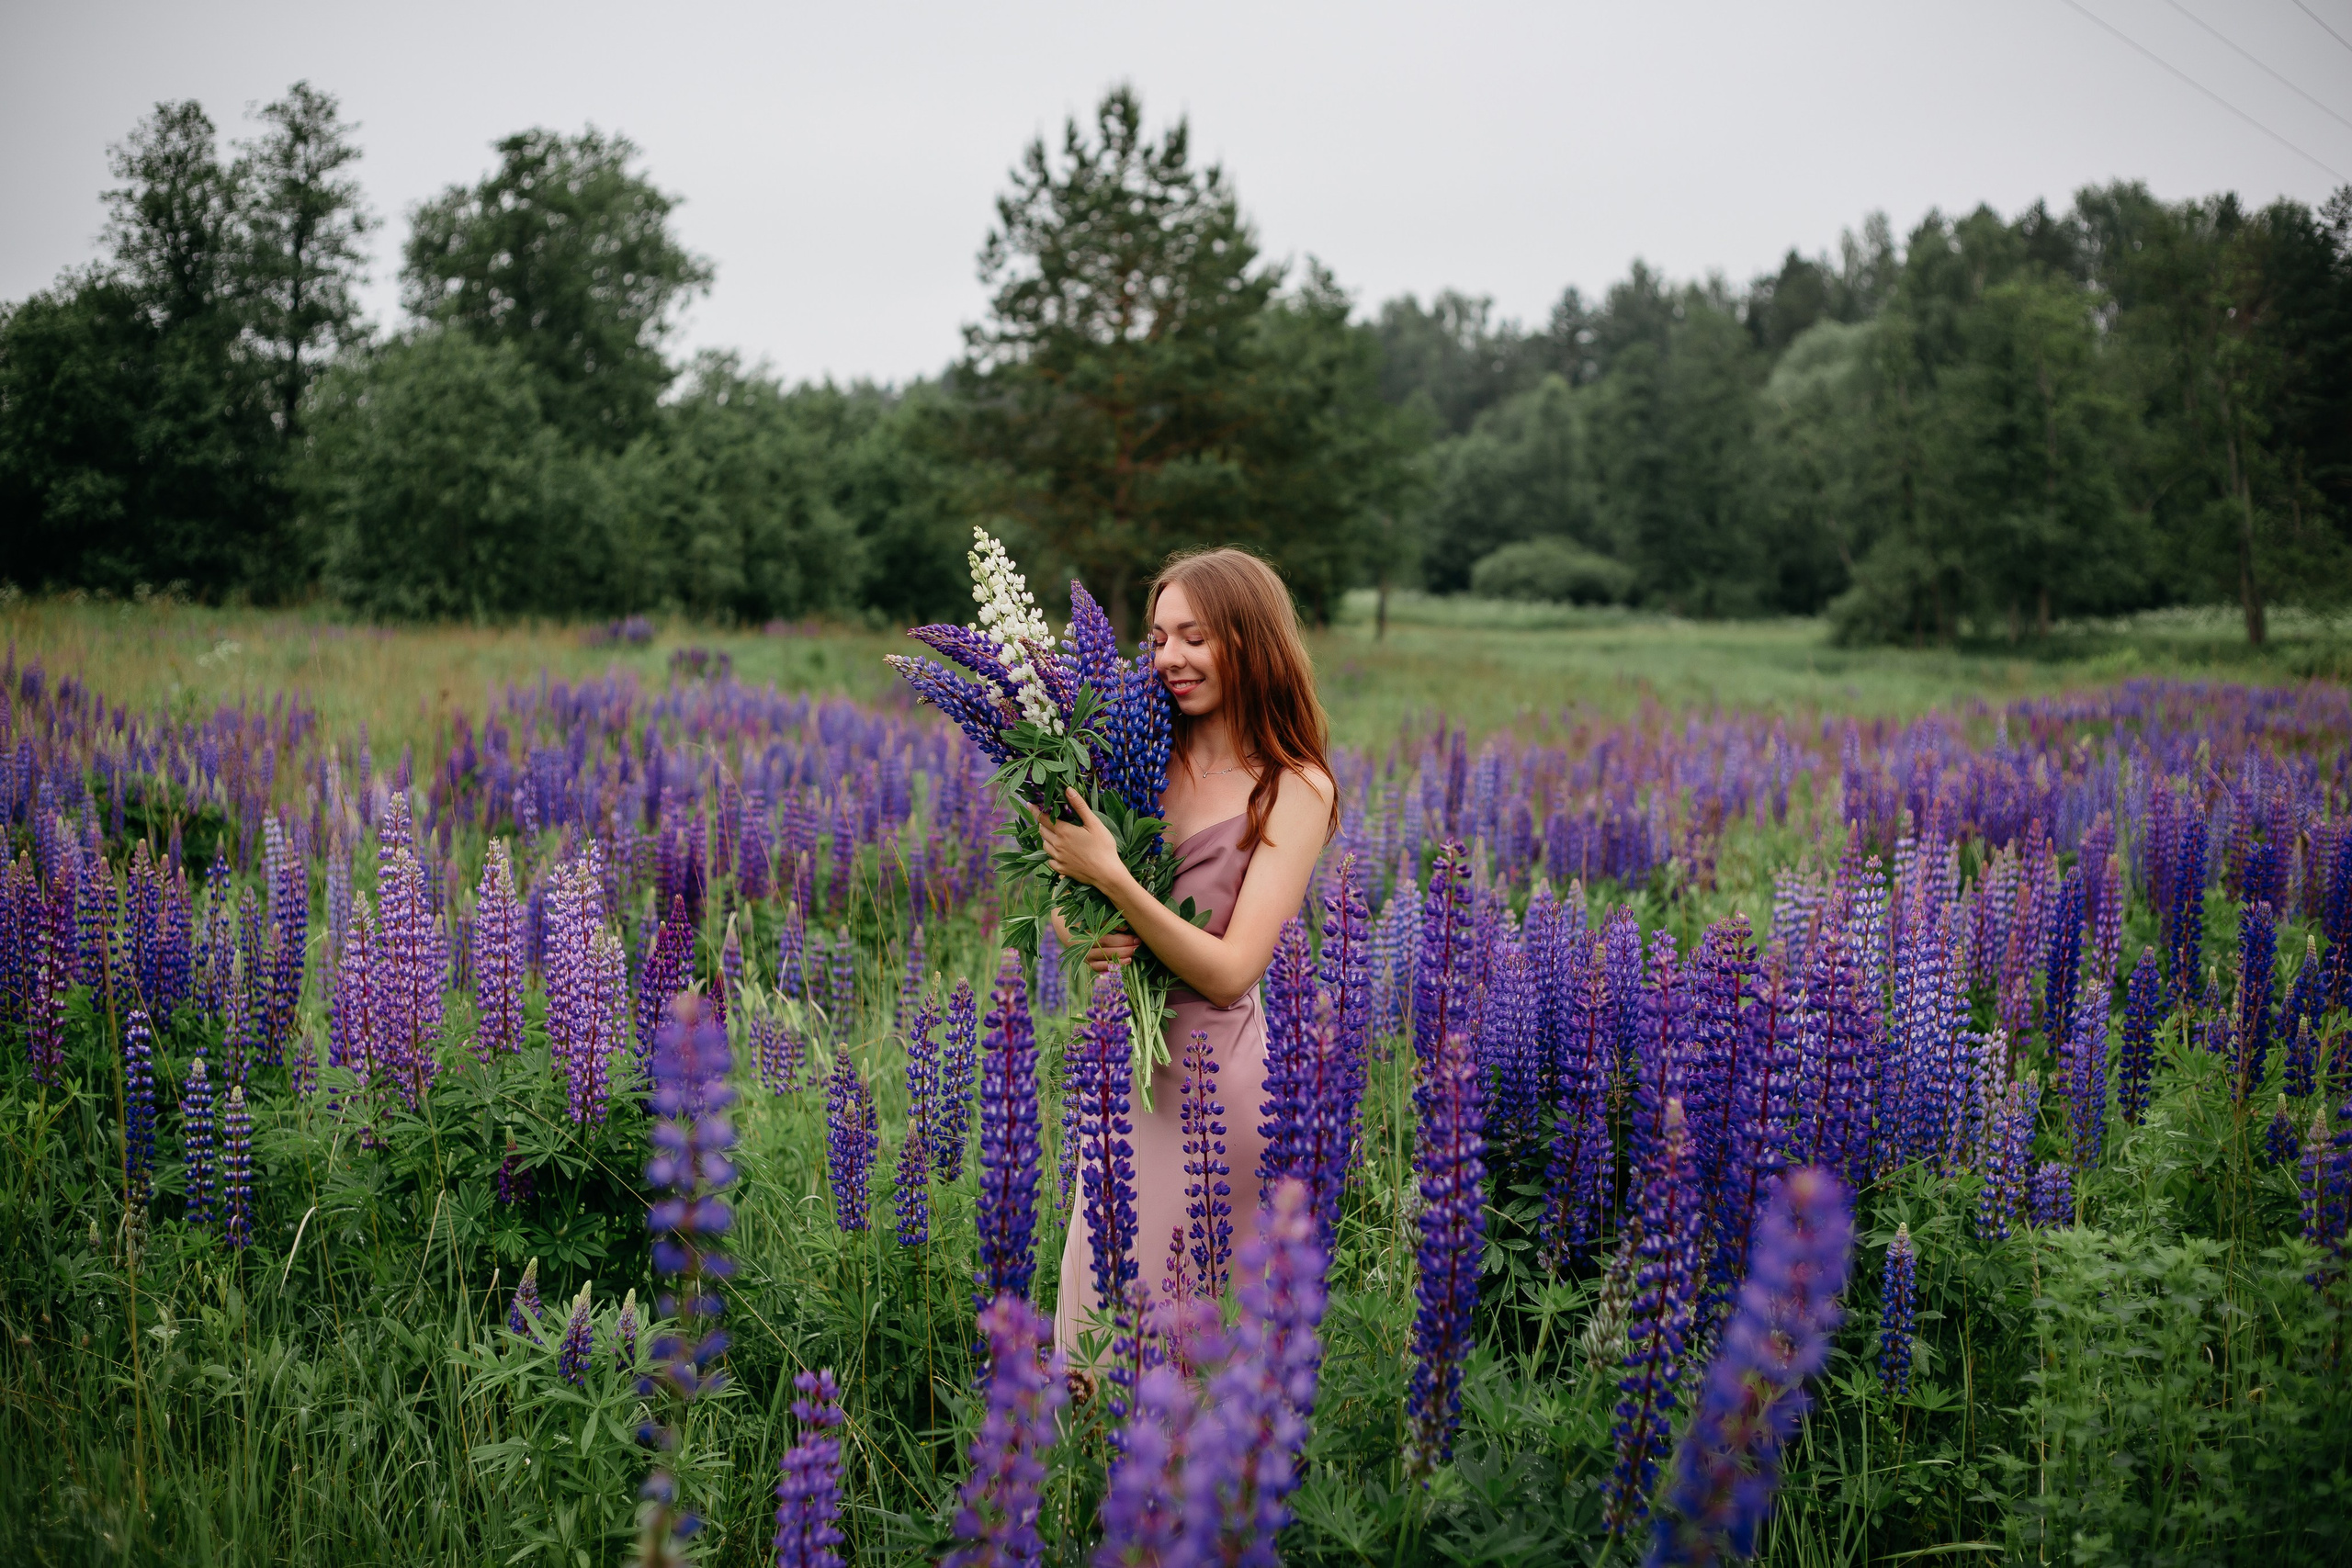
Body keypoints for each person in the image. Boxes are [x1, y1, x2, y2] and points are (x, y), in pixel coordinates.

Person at [1031, 547, 1337, 1365]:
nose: (1169, 657)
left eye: (1194, 637)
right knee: (1097, 1334)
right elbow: (1069, 908)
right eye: (1160, 637)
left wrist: (1116, 880)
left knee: (1189, 1349)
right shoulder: (1137, 751)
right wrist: (1087, 926)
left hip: (1218, 1088)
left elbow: (1234, 967)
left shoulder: (1293, 785)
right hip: (1124, 1078)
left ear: (1249, 641)